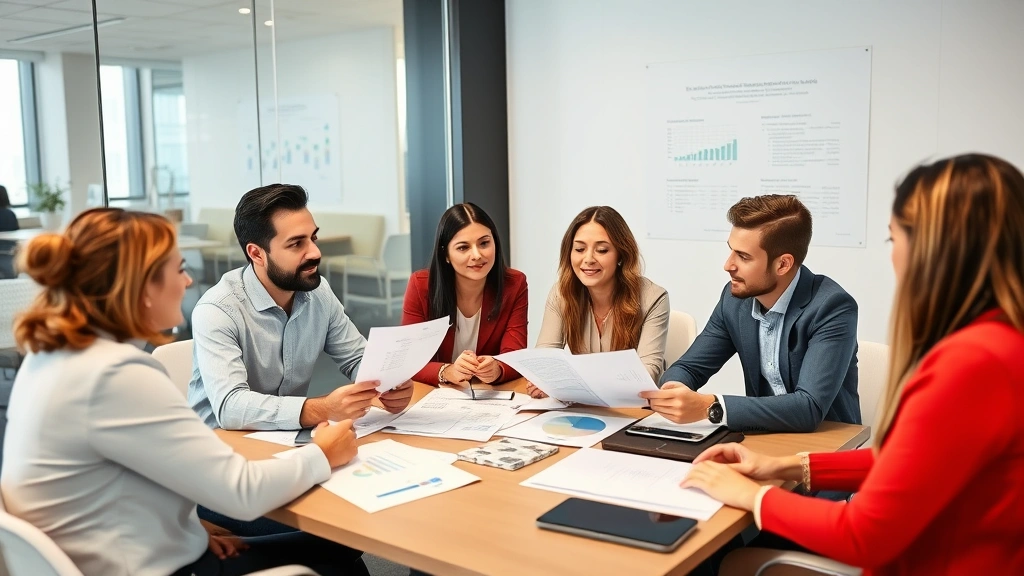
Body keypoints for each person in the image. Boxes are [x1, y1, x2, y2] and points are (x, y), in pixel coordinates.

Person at [684, 154, 1024, 575]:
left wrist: (752, 495)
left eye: (893, 239)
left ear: (934, 249)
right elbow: (905, 463)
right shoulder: (999, 343)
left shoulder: (969, 365)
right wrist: (784, 466)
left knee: (716, 558)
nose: (893, 257)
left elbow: (865, 535)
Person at [0, 208, 366, 576]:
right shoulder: (115, 375)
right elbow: (242, 491)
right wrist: (323, 453)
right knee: (338, 548)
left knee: (334, 546)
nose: (188, 281)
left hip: (120, 551)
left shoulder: (52, 356)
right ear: (143, 288)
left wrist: (190, 528)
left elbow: (117, 474)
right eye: (179, 270)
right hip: (150, 568)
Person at [189, 183, 414, 432]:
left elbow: (357, 358)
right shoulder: (217, 311)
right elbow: (231, 407)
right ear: (257, 254)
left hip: (287, 437)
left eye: (313, 238)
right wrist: (321, 409)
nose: (315, 253)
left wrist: (388, 383)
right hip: (220, 442)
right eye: (296, 244)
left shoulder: (318, 293)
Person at [642, 195, 860, 433]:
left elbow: (808, 408)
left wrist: (710, 406)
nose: (728, 265)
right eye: (731, 251)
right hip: (761, 439)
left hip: (826, 443)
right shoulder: (734, 301)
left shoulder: (832, 307)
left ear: (783, 264)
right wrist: (675, 389)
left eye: (744, 257)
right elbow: (690, 367)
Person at [530, 206, 669, 398]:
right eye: (579, 249)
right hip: (583, 404)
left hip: (633, 405)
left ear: (621, 254)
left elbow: (648, 374)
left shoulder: (654, 298)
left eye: (602, 250)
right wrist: (542, 380)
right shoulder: (561, 293)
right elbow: (545, 359)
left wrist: (572, 382)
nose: (588, 259)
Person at [402, 202, 528, 386]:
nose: (477, 255)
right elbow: (409, 361)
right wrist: (447, 371)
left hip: (489, 394)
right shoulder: (421, 286)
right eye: (463, 247)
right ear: (446, 254)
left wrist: (498, 368)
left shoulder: (514, 284)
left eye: (484, 243)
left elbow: (515, 355)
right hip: (435, 394)